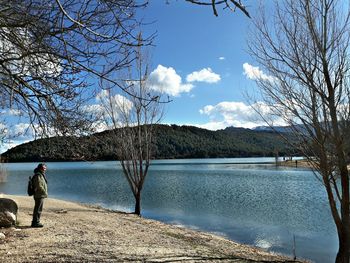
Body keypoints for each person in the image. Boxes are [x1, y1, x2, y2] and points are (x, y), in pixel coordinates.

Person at [31, 163, 48, 228]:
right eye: (44, 168)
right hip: (39, 195)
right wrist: (44, 192)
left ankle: (36, 222)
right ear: (40, 168)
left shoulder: (40, 174)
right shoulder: (38, 175)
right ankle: (35, 222)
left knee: (38, 209)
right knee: (38, 209)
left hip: (40, 194)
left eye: (45, 168)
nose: (45, 169)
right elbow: (39, 185)